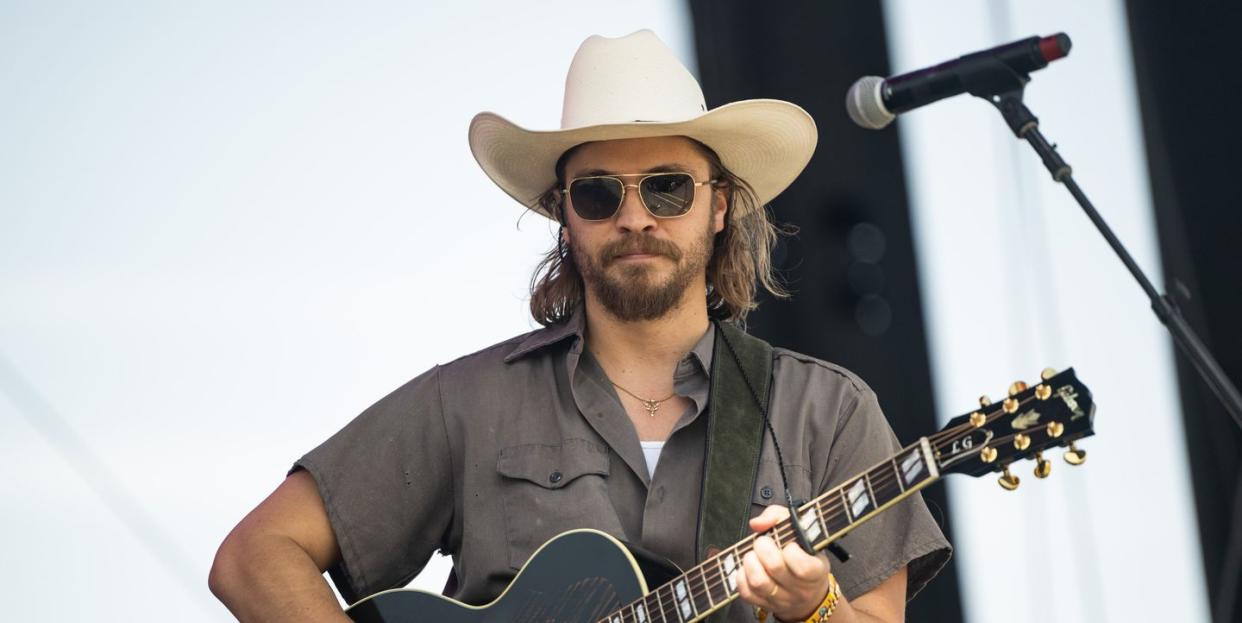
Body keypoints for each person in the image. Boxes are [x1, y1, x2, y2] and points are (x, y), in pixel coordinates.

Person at [209, 30, 950, 623]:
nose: (634, 216)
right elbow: (254, 556)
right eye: (598, 193)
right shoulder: (470, 402)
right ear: (564, 214)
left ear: (719, 205)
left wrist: (812, 606)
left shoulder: (827, 411)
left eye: (667, 186)